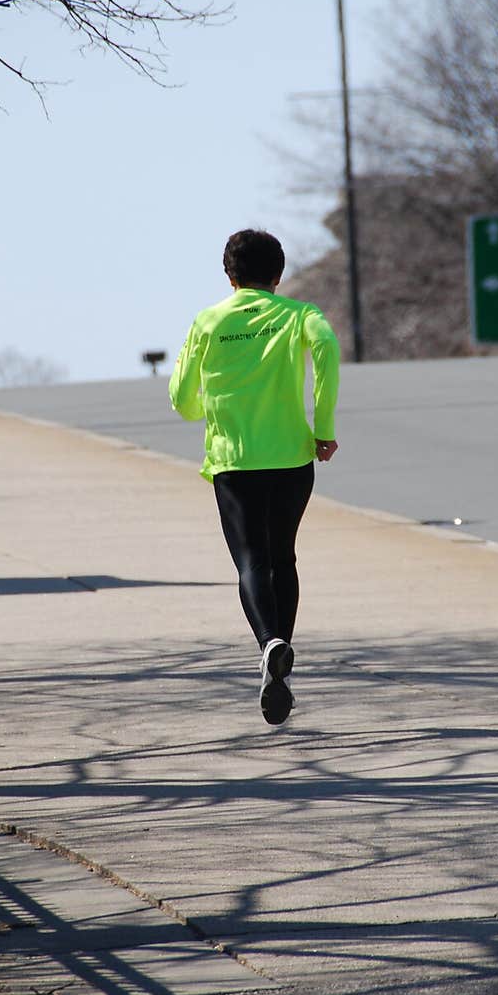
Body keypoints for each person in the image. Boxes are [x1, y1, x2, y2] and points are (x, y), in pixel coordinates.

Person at [169, 229, 340, 726]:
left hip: (234, 460)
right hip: (291, 457)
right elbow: (327, 348)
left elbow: (183, 403)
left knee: (251, 560)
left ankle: (270, 645)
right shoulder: (301, 316)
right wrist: (324, 426)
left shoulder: (209, 320)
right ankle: (280, 661)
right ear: (278, 276)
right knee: (282, 556)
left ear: (229, 276)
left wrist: (209, 402)